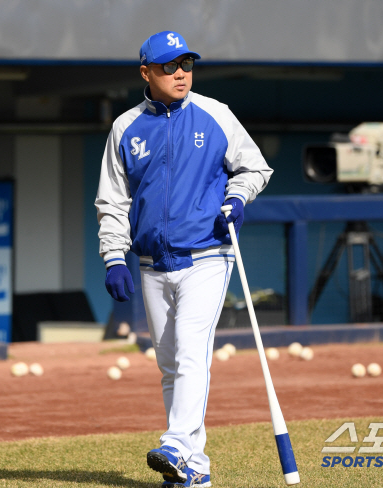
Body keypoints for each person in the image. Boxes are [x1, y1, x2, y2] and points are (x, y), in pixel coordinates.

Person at [95, 30, 273, 487]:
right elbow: (112, 201)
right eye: (169, 66)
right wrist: (114, 256)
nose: (180, 73)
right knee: (171, 363)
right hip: (153, 261)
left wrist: (237, 197)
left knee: (192, 348)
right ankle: (193, 468)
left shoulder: (216, 114)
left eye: (187, 65)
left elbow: (255, 167)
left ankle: (175, 443)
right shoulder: (125, 127)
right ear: (146, 73)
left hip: (208, 255)